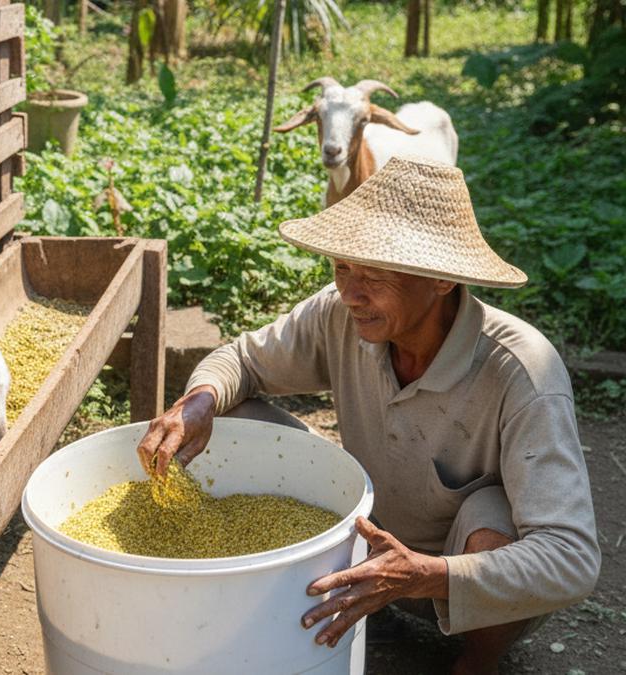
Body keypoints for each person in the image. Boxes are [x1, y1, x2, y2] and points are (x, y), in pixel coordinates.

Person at [136, 157, 600, 674]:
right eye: (341, 269)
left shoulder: (521, 373)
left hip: (462, 584)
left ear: (442, 279)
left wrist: (423, 574)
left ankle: (477, 660)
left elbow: (571, 557)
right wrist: (196, 401)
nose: (351, 294)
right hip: (364, 545)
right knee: (236, 410)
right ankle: (276, 591)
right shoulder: (341, 315)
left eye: (374, 276)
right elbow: (241, 360)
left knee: (491, 517)